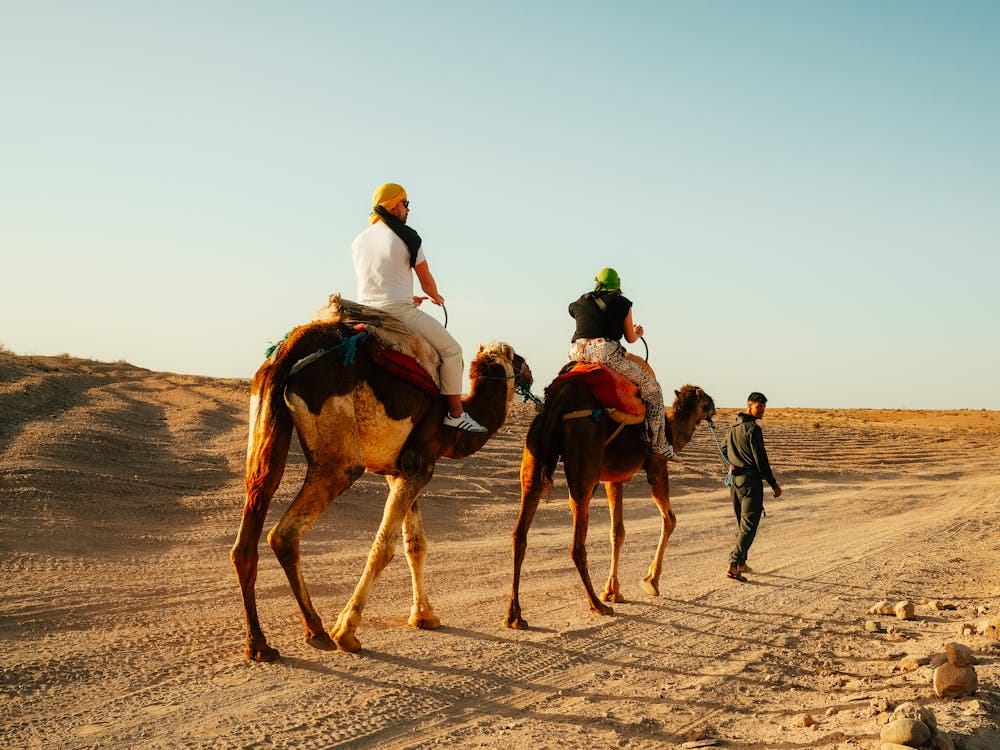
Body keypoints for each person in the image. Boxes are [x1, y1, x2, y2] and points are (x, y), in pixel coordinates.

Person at [351, 182, 487, 433]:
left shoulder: (359, 240)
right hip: (397, 312)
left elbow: (379, 281)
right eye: (405, 203)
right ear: (393, 205)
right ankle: (456, 413)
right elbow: (426, 281)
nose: (408, 209)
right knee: (452, 350)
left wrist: (405, 295)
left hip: (363, 311)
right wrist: (436, 297)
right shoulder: (408, 236)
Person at [567, 267, 678, 460]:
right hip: (605, 353)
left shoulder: (579, 302)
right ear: (617, 285)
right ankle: (658, 443)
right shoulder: (623, 303)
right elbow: (630, 338)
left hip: (577, 352)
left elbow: (583, 319)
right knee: (653, 390)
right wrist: (639, 332)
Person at [723, 391, 782, 582]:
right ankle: (733, 566)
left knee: (742, 523)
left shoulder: (733, 426)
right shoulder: (753, 429)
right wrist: (773, 484)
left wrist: (730, 465)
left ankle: (741, 563)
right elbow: (761, 459)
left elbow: (723, 449)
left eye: (764, 408)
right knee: (748, 526)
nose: (762, 411)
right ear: (749, 405)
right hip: (750, 482)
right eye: (759, 407)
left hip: (735, 482)